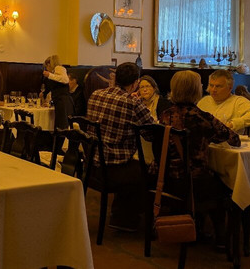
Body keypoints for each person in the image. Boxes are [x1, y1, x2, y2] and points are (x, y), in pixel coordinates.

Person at [159, 70, 241, 248]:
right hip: (193, 182)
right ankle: (221, 239)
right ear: (196, 90)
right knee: (224, 183)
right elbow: (234, 139)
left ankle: (198, 227)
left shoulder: (165, 114)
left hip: (165, 179)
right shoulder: (202, 118)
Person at [87, 62, 155, 231]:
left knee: (133, 165)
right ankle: (126, 218)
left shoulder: (95, 94)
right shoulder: (131, 102)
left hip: (92, 163)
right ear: (136, 83)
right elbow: (151, 133)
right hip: (114, 168)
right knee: (148, 170)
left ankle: (120, 214)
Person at [197, 69, 250, 134]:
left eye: (218, 86)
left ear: (230, 88)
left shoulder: (238, 102)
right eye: (211, 85)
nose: (213, 89)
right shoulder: (204, 101)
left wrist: (234, 123)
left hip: (229, 139)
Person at [41, 55, 74, 130]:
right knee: (59, 125)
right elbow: (54, 88)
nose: (46, 69)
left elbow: (65, 80)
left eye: (47, 66)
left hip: (63, 102)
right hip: (59, 102)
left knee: (62, 126)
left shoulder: (59, 68)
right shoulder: (54, 73)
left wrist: (49, 75)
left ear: (50, 64)